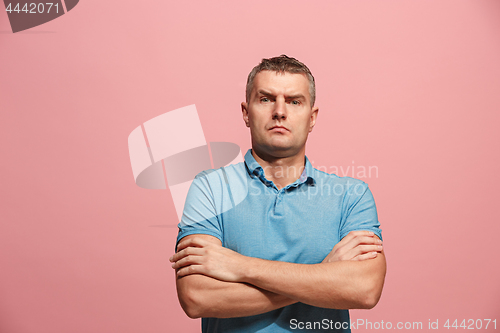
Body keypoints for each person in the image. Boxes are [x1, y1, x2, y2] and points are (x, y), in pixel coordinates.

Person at [170, 55, 386, 332]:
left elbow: (364, 290)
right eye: (266, 99)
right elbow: (196, 297)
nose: (280, 111)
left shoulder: (351, 195)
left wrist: (238, 266)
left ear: (312, 117)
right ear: (246, 113)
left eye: (294, 101)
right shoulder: (210, 188)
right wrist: (325, 274)